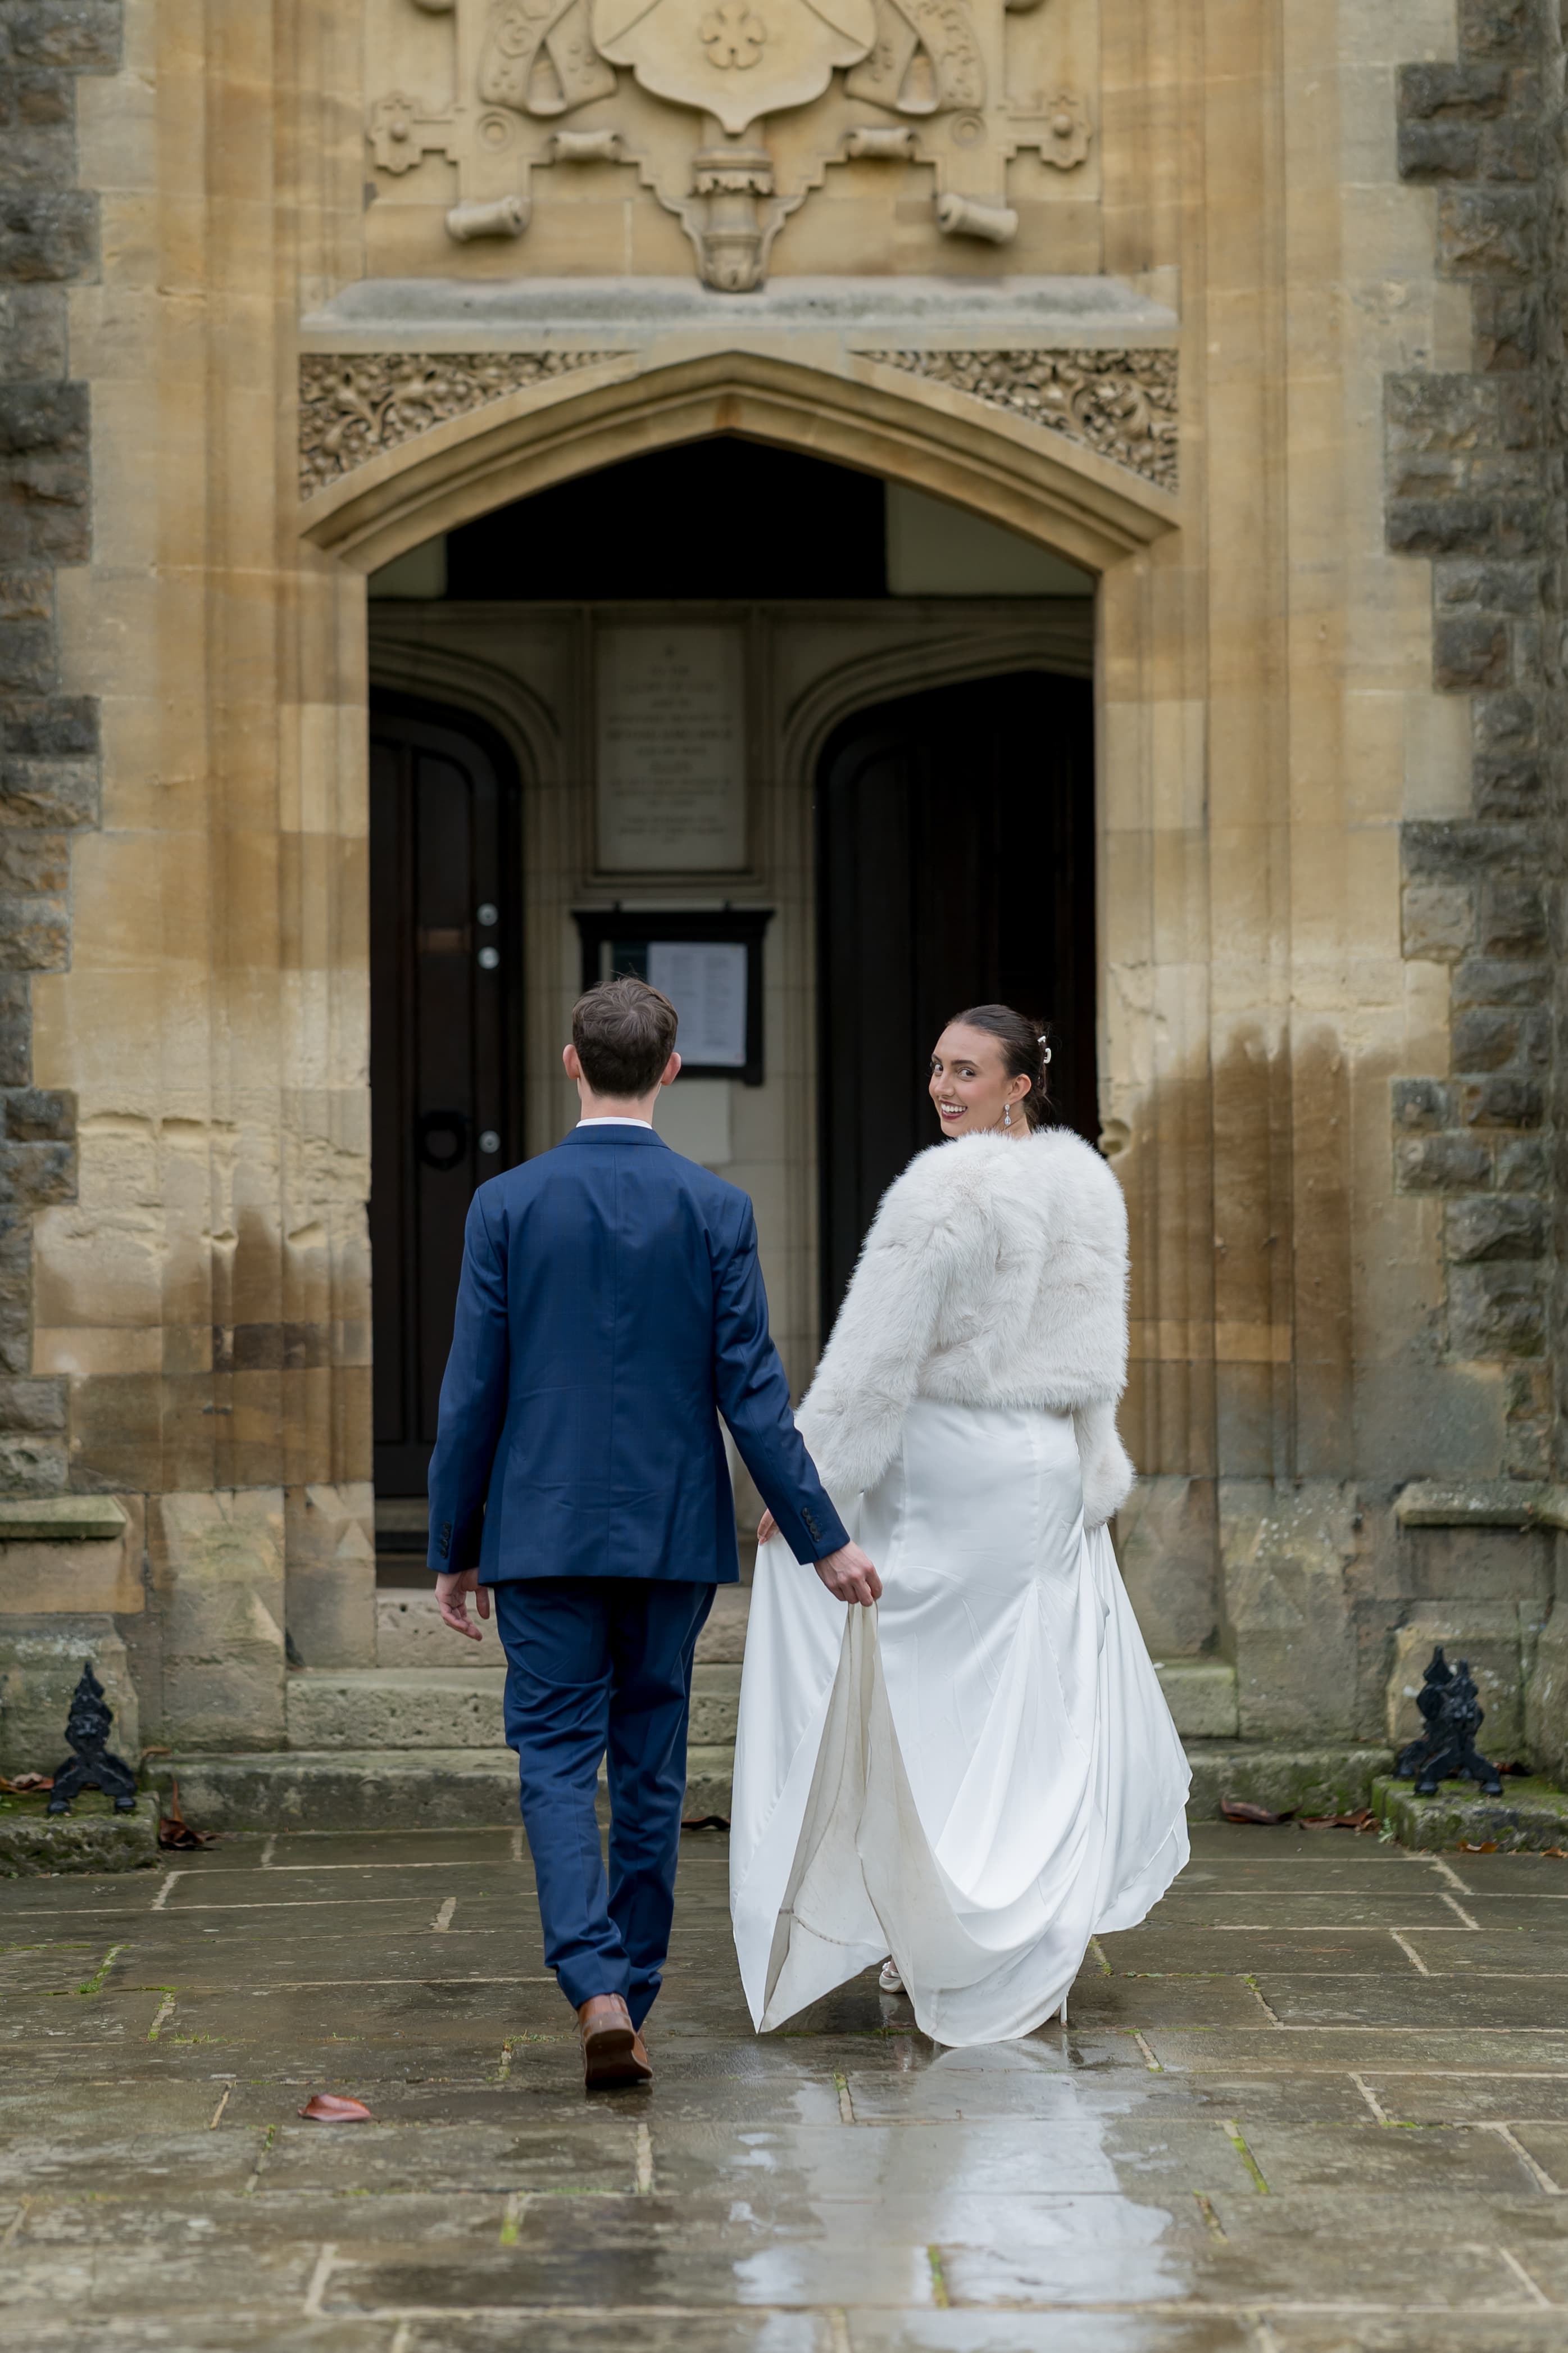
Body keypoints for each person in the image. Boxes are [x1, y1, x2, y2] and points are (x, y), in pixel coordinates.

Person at [427, 976, 879, 2088]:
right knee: (651, 1764)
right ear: (670, 1071)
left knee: (552, 1758)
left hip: (538, 1530)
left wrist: (453, 1541)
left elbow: (471, 1391)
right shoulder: (714, 1209)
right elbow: (752, 1390)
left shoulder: (506, 1204)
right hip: (671, 1535)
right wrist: (824, 1539)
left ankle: (593, 1985)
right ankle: (634, 1979)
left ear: (572, 1062)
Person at [730, 1003, 1190, 2047]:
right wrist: (1090, 1475)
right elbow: (1095, 1350)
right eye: (937, 1067)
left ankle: (935, 1926)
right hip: (1040, 1467)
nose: (944, 1088)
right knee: (1028, 1698)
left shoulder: (948, 1187)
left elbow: (873, 1359)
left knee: (928, 1693)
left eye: (968, 1072)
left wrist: (810, 1496)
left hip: (946, 1467)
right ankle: (1029, 1924)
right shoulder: (1087, 1180)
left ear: (1020, 1083)